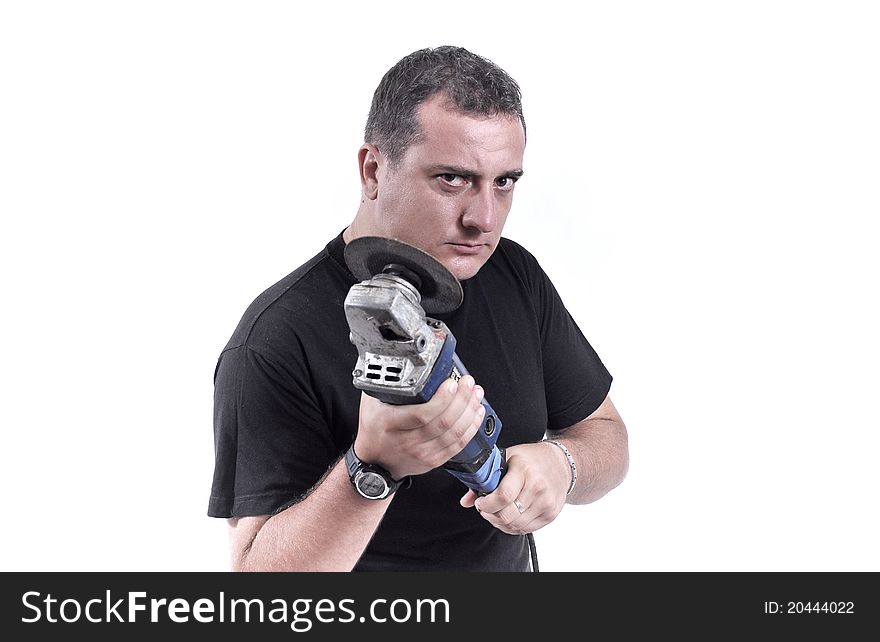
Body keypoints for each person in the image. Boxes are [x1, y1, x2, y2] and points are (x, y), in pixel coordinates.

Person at [208, 45, 629, 572]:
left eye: (504, 182)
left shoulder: (513, 274)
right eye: (452, 178)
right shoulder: (274, 340)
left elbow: (608, 436)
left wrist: (563, 464)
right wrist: (373, 467)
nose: (483, 219)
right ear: (373, 171)